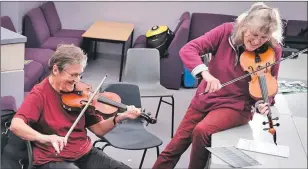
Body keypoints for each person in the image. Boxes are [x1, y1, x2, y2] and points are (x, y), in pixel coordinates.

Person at [152, 2, 283, 169]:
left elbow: (269, 87)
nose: (257, 41)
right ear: (245, 24)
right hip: (206, 98)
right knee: (175, 146)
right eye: (254, 34)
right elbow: (189, 49)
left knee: (202, 130)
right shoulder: (226, 31)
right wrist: (206, 74)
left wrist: (262, 104)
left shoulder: (273, 50)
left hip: (236, 106)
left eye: (263, 37)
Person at [10, 44, 141, 169]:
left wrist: (119, 118)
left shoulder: (82, 94)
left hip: (84, 152)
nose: (77, 80)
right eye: (73, 75)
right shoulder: (39, 94)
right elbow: (16, 125)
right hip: (53, 157)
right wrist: (46, 138)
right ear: (56, 69)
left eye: (79, 74)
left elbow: (99, 130)